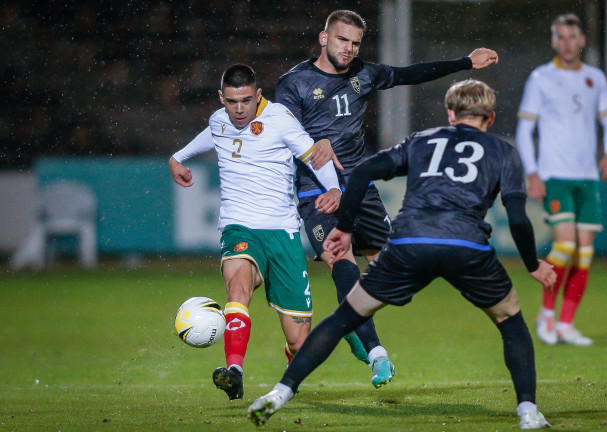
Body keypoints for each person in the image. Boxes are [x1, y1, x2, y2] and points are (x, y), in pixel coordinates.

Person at [248, 79, 556, 430]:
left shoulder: (423, 140)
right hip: (467, 246)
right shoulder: (504, 151)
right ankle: (528, 414)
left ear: (450, 113)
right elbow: (517, 217)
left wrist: (345, 227)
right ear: (492, 116)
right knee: (511, 322)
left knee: (344, 318)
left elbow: (363, 171)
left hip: (409, 244)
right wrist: (532, 264)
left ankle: (279, 393)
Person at [276, 9, 500, 387]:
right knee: (338, 258)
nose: (348, 49)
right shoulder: (293, 84)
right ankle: (377, 353)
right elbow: (286, 138)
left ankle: (349, 325)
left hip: (359, 187)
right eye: (342, 40)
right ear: (323, 38)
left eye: (355, 43)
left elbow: (410, 74)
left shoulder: (364, 74)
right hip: (317, 191)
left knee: (392, 273)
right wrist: (316, 148)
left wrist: (466, 62)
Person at [168, 64, 342, 401]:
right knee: (237, 288)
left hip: (282, 232)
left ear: (258, 95)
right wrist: (178, 157)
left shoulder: (280, 120)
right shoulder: (220, 120)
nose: (239, 109)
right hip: (238, 225)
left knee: (298, 341)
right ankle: (234, 371)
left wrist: (333, 190)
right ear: (222, 98)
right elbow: (210, 135)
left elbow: (316, 158)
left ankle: (294, 374)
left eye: (246, 101)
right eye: (232, 102)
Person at [515, 14, 607, 346]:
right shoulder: (541, 78)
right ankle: (546, 315)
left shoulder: (595, 78)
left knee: (584, 253)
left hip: (587, 176)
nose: (566, 43)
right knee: (565, 245)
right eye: (560, 37)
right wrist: (532, 173)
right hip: (555, 174)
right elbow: (524, 129)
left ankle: (566, 323)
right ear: (553, 41)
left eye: (572, 36)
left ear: (582, 40)